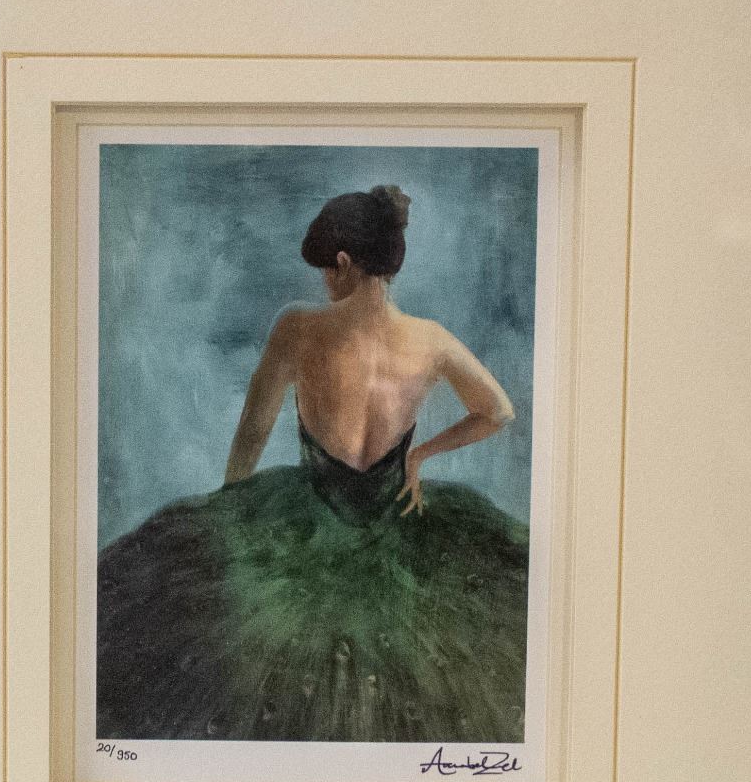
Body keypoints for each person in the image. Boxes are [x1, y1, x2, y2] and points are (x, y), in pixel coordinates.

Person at [96, 184, 530, 742]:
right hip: (397, 517)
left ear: (344, 264)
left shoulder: (298, 328)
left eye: (326, 271)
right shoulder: (432, 341)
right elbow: (498, 411)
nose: (324, 283)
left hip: (305, 520)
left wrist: (232, 506)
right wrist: (420, 454)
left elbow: (255, 428)